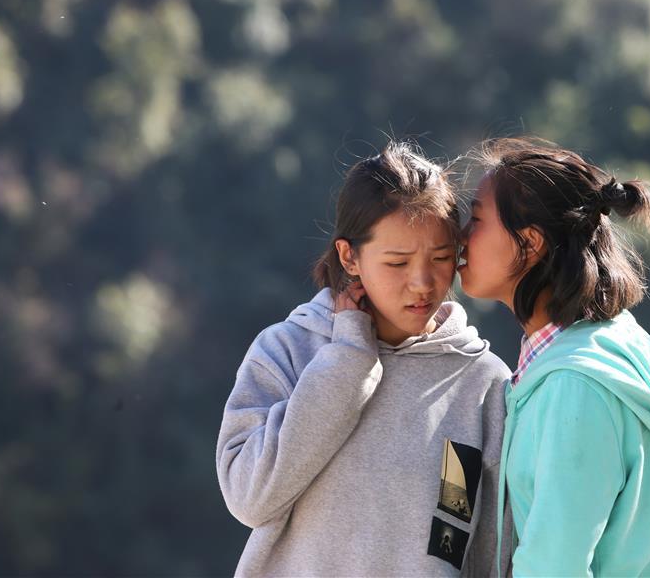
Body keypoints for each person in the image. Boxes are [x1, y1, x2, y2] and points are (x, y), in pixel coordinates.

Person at [216, 142, 511, 576]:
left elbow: (487, 553)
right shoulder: (287, 351)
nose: (423, 283)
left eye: (441, 258)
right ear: (349, 257)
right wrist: (347, 360)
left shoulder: (483, 384)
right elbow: (250, 499)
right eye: (397, 263)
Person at [458, 137, 650, 577]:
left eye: (475, 220)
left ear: (529, 244)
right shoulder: (608, 345)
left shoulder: (574, 386)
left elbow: (554, 565)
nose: (461, 237)